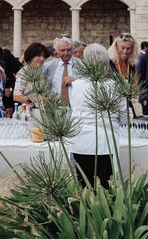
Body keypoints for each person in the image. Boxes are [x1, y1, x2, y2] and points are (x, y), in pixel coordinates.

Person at [70, 43, 127, 188]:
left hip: (80, 142)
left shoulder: (76, 86)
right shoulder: (115, 86)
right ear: (106, 64)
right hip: (105, 142)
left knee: (84, 186)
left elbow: (75, 110)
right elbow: (125, 117)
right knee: (105, 187)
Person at [42, 36, 80, 103]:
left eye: (68, 50)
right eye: (62, 50)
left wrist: (75, 81)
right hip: (54, 107)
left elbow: (89, 83)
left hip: (76, 107)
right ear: (56, 51)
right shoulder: (48, 66)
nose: (66, 53)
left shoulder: (81, 65)